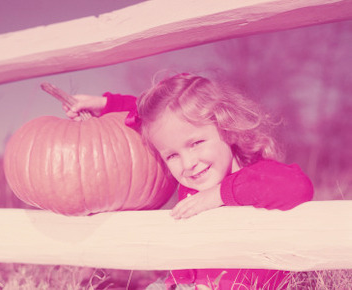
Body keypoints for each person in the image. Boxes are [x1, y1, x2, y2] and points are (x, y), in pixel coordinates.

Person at [64, 73, 314, 289]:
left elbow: (296, 186)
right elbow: (154, 116)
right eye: (172, 155)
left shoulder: (258, 173)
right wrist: (107, 104)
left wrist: (219, 194)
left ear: (227, 126)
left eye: (195, 143)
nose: (188, 164)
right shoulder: (197, 175)